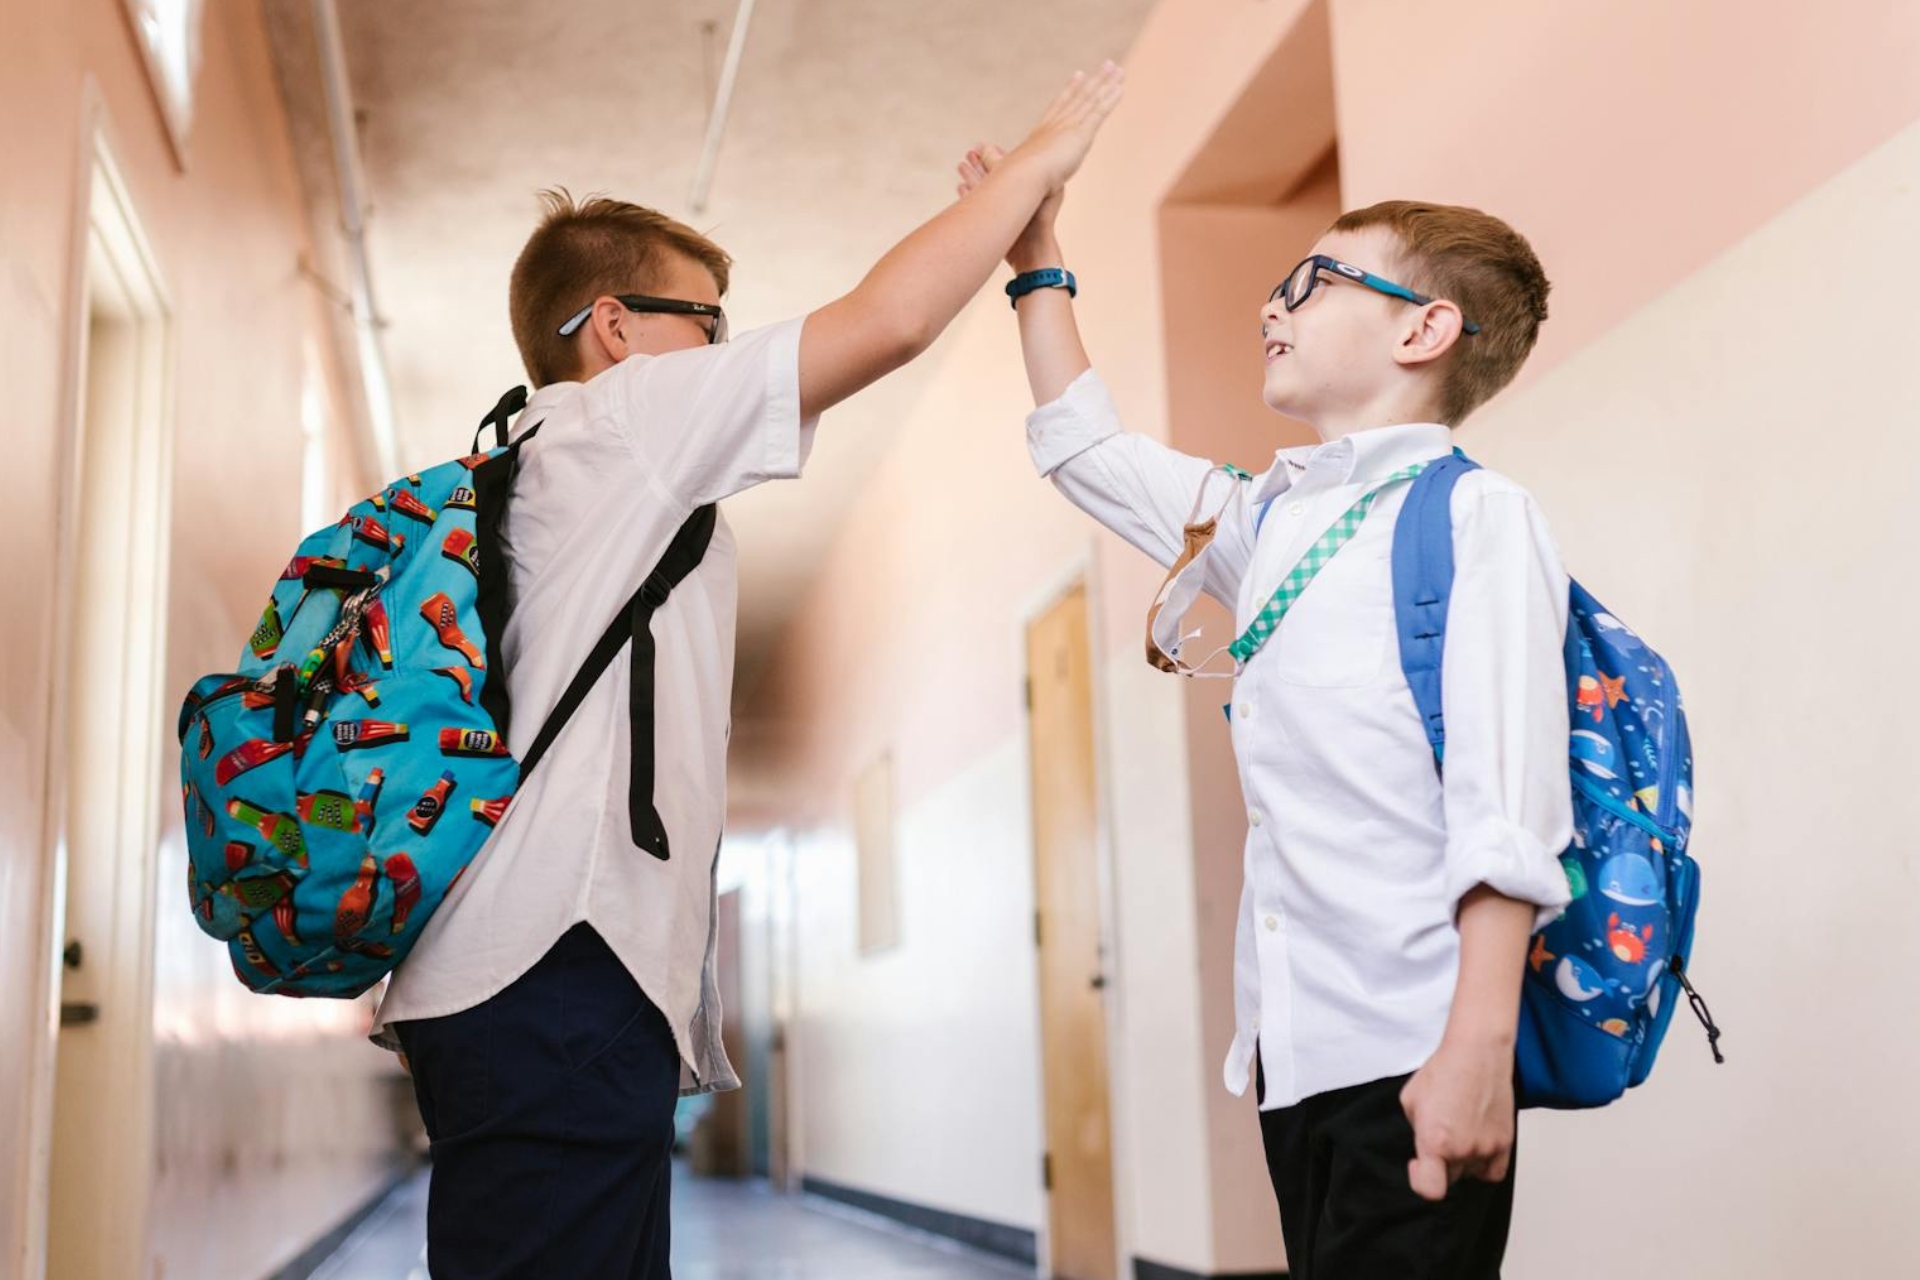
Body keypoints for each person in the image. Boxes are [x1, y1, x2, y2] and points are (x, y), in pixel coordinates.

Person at [370, 62, 1126, 1280]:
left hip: (499, 965)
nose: (722, 343)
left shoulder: (526, 461)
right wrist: (1043, 163)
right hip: (561, 957)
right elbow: (889, 320)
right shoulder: (624, 422)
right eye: (705, 319)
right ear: (613, 327)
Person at [961, 140, 1571, 1279]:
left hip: (1419, 1045)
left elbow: (1509, 806)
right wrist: (1039, 262)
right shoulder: (1273, 521)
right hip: (1297, 1054)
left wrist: (1478, 1049)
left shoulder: (1477, 515)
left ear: (1422, 330)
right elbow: (1090, 451)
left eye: (1314, 281)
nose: (1270, 302)